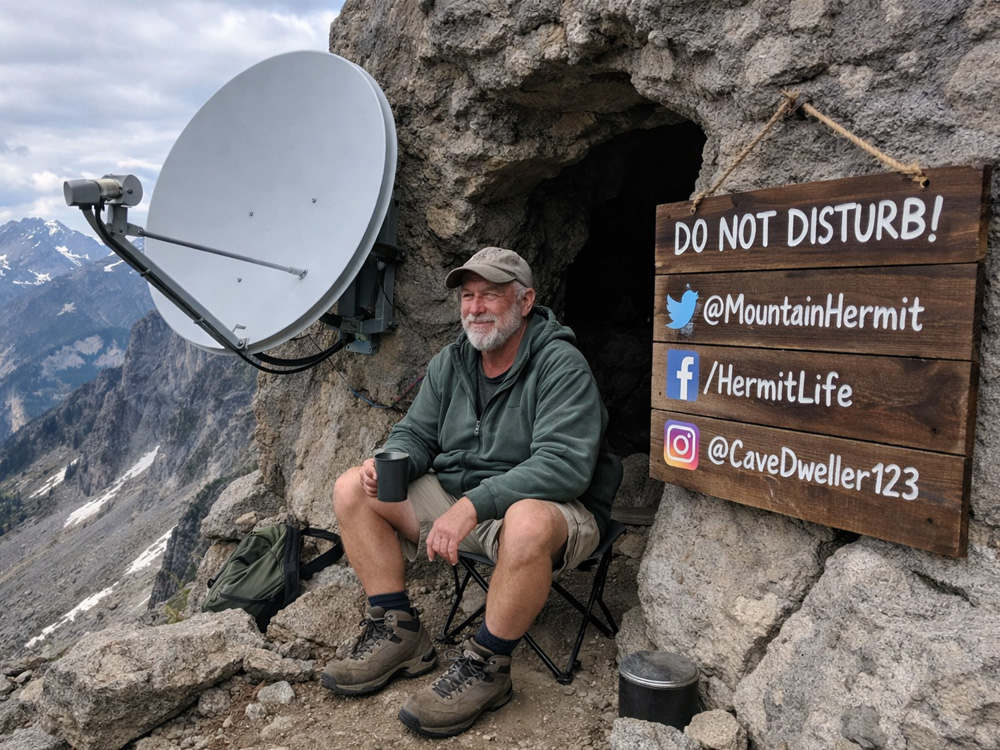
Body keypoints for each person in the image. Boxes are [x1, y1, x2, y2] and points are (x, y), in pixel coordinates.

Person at [322, 247, 617, 737]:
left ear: (525, 302)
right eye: (468, 295)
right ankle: (398, 631)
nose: (475, 307)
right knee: (352, 488)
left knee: (527, 521)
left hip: (555, 510)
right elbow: (416, 433)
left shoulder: (560, 364)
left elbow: (564, 466)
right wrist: (388, 461)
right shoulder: (452, 362)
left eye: (490, 296)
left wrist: (472, 506)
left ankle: (487, 667)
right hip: (462, 503)